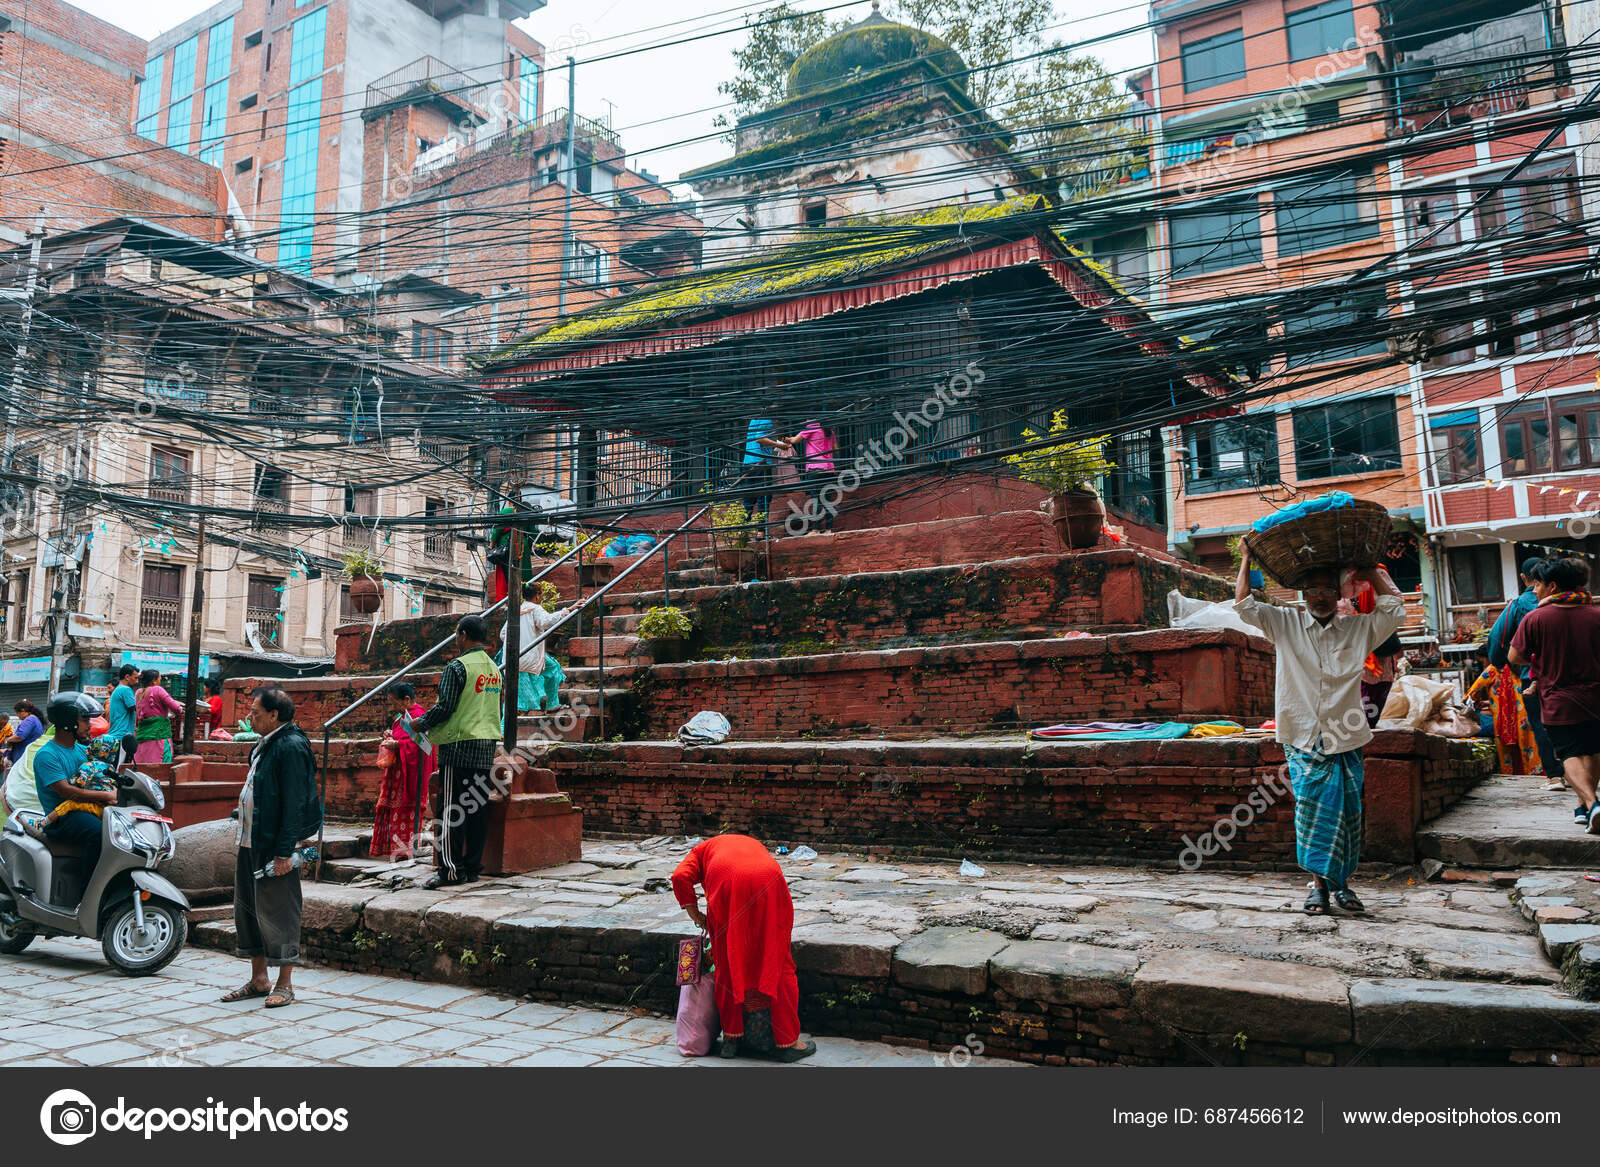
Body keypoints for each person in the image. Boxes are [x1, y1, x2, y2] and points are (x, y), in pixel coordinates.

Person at [1234, 546, 1405, 915]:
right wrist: (1246, 558)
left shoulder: (1359, 628)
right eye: (1313, 592)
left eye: (1328, 591)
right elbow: (1245, 605)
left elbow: (1393, 609)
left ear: (1338, 595)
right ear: (1304, 596)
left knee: (1346, 813)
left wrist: (1369, 569)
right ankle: (1317, 888)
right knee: (1311, 812)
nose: (1321, 598)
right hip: (1301, 736)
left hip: (1347, 737)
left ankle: (1342, 886)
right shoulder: (1285, 623)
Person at [672, 833, 816, 1062]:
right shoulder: (743, 844)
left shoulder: (699, 853)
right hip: (769, 882)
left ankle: (732, 1039)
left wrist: (698, 916)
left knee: (727, 963)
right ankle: (787, 1042)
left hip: (728, 888)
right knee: (776, 961)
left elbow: (680, 876)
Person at [220, 687, 321, 1008]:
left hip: (275, 845)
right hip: (252, 838)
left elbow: (294, 803)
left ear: (275, 715)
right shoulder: (267, 744)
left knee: (280, 911)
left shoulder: (291, 746)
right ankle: (259, 978)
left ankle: (285, 983)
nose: (250, 718)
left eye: (256, 713)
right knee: (248, 909)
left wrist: (282, 851)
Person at [409, 615, 503, 888]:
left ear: (462, 635)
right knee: (476, 808)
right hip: (486, 743)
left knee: (451, 809)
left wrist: (420, 723)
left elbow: (446, 706)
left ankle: (450, 871)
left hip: (458, 744)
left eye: (456, 635)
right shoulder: (495, 669)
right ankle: (472, 868)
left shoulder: (457, 667)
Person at [1509, 556, 1600, 835]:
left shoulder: (1536, 618)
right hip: (1597, 699)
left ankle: (1593, 804)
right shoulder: (1596, 615)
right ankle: (1584, 807)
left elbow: (1515, 656)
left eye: (1537, 585)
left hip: (1558, 700)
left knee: (1569, 753)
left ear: (1552, 586)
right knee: (1593, 751)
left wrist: (1543, 654)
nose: (1534, 591)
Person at [1488, 558, 1567, 801]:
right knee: (1571, 724)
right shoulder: (1570, 601)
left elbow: (1497, 639)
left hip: (1531, 676)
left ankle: (1555, 777)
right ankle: (1581, 773)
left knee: (1542, 725)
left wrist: (1502, 664)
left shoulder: (1521, 604)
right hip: (1569, 674)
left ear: (1524, 578)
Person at [32, 692, 113, 880]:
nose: (90, 725)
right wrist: (106, 796)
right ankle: (89, 893)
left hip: (87, 811)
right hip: (62, 818)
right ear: (69, 722)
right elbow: (67, 792)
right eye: (85, 720)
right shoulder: (47, 755)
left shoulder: (83, 749)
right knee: (98, 833)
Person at [371, 682, 434, 860]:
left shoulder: (420, 717)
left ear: (406, 699)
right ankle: (396, 852)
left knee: (407, 812)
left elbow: (423, 746)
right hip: (397, 773)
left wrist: (398, 744)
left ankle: (405, 852)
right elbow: (402, 736)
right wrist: (390, 734)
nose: (393, 706)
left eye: (394, 702)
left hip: (410, 775)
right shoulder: (401, 717)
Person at [500, 581, 571, 715]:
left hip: (512, 657)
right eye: (541, 595)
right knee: (513, 699)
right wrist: (567, 611)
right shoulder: (535, 609)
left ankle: (552, 704)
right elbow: (546, 622)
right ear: (538, 596)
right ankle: (551, 704)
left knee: (551, 668)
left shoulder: (516, 610)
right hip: (529, 658)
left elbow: (503, 634)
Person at [1467, 655, 1542, 776]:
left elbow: (1472, 694)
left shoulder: (1493, 669)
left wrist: (1483, 702)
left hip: (1503, 717)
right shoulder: (1525, 666)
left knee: (1506, 750)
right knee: (1529, 745)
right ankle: (1534, 773)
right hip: (1525, 713)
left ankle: (1509, 774)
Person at [786, 419, 838, 533]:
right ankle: (829, 529)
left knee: (816, 499)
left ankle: (815, 529)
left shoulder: (811, 427)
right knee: (828, 500)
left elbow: (794, 440)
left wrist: (785, 439)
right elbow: (836, 449)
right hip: (829, 469)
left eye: (807, 419)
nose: (806, 421)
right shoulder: (830, 430)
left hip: (815, 469)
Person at [133, 669, 183, 765]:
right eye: (160, 679)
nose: (161, 681)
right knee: (160, 763)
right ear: (154, 681)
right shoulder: (157, 689)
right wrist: (181, 710)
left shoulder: (138, 692)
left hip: (143, 734)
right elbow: (175, 708)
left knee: (142, 762)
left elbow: (137, 714)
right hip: (158, 735)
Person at [106, 664, 138, 741]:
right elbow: (137, 707)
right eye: (135, 678)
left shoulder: (118, 689)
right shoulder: (125, 689)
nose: (137, 681)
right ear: (127, 677)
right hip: (122, 735)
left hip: (118, 734)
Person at [6, 700, 42, 769]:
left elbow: (20, 736)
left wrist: (9, 740)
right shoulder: (35, 720)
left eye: (17, 713)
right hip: (28, 755)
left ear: (23, 710)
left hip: (23, 756)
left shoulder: (29, 720)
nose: (17, 716)